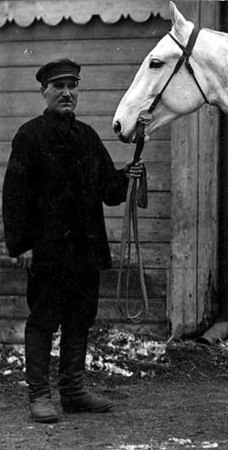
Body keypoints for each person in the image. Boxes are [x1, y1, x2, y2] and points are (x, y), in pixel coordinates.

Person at [2, 58, 144, 423]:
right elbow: (14, 197)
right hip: (47, 253)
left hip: (85, 250)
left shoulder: (87, 137)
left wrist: (128, 174)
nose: (67, 93)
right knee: (44, 320)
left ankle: (74, 391)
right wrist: (22, 246)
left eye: (73, 86)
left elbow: (109, 191)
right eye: (59, 87)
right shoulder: (29, 136)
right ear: (44, 92)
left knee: (80, 319)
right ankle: (39, 395)